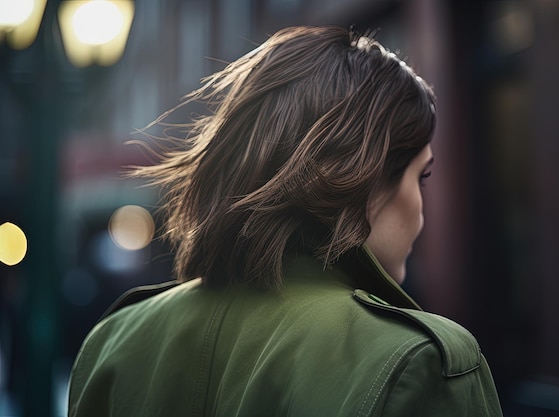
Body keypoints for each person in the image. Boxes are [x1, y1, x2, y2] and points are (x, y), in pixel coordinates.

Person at [68, 25, 503, 416]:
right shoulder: (421, 363)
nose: (422, 213)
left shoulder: (114, 342)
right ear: (364, 177)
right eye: (421, 177)